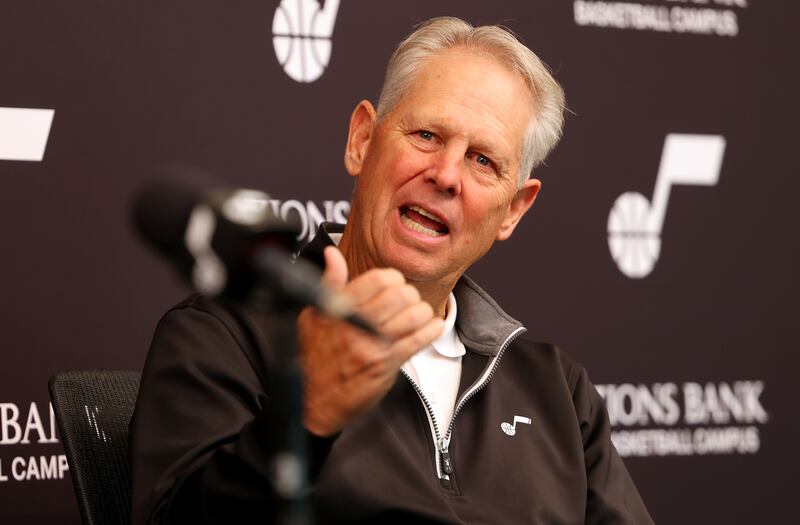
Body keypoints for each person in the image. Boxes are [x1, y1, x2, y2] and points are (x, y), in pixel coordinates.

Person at [130, 17, 654, 524]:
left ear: (514, 209)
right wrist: (306, 414)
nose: (446, 175)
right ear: (362, 139)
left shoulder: (559, 391)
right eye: (426, 135)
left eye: (482, 161)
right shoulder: (226, 335)